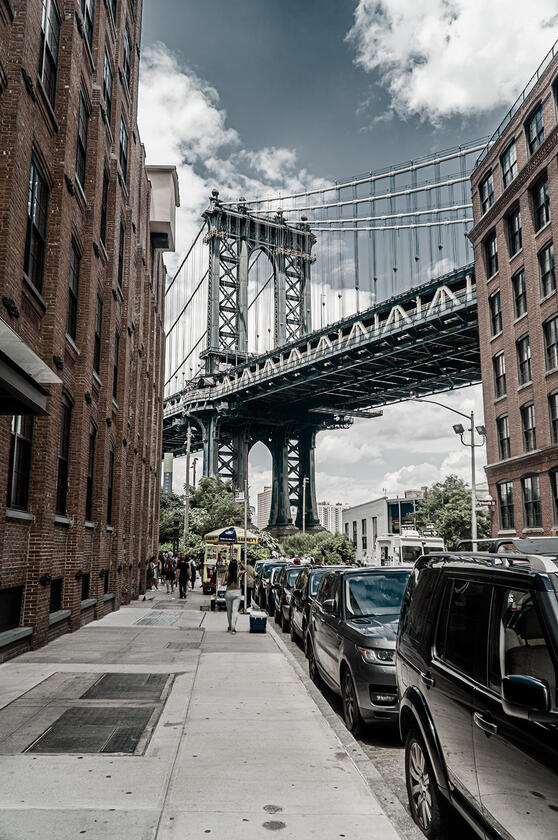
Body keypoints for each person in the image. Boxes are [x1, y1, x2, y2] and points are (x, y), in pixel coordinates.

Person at [225, 558, 244, 633]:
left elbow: (223, 583)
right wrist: (240, 563)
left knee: (229, 610)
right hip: (237, 592)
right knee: (235, 610)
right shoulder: (238, 573)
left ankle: (229, 626)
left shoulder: (227, 573)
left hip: (228, 592)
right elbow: (245, 569)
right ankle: (233, 627)